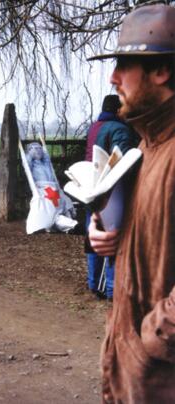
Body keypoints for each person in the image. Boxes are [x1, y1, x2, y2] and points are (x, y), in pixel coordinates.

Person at [87, 4, 175, 403]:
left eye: (124, 63)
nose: (113, 77)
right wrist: (112, 236)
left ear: (161, 71)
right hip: (133, 376)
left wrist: (154, 338)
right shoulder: (146, 147)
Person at [85, 94, 139, 300]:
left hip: (91, 189)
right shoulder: (120, 129)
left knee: (94, 237)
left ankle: (93, 283)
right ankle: (111, 289)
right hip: (112, 192)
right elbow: (122, 164)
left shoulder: (94, 127)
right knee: (111, 238)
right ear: (118, 111)